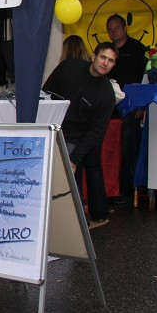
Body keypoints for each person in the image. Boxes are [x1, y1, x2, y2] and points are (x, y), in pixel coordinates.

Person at [42, 42, 119, 227]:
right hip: (54, 126)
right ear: (93, 56)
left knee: (73, 172)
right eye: (103, 57)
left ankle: (78, 223)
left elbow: (96, 132)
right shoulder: (70, 67)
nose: (105, 63)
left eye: (111, 61)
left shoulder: (107, 95)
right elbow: (46, 92)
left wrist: (75, 160)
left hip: (80, 136)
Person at [105, 14, 148, 205]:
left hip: (131, 108)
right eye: (110, 29)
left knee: (128, 149)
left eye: (117, 28)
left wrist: (141, 104)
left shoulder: (137, 49)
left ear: (125, 29)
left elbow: (146, 79)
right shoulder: (107, 51)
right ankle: (113, 189)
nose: (114, 32)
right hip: (110, 108)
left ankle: (129, 190)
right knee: (112, 149)